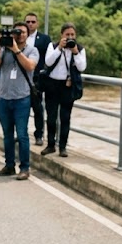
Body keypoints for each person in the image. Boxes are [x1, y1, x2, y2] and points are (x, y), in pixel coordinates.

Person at [0, 21, 39, 180]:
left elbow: (30, 66)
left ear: (27, 34)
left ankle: (24, 167)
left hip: (22, 99)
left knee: (22, 134)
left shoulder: (32, 50)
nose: (20, 35)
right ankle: (9, 165)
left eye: (23, 32)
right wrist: (0, 45)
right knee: (7, 135)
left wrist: (16, 50)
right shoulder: (4, 49)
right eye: (17, 32)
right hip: (4, 98)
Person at [41, 23, 87, 158]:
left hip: (68, 86)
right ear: (62, 35)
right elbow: (48, 62)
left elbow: (82, 67)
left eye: (72, 35)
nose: (70, 37)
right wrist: (60, 48)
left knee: (65, 117)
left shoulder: (79, 49)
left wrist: (75, 53)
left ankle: (62, 147)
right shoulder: (53, 46)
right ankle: (50, 145)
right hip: (52, 85)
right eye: (67, 34)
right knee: (51, 117)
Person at [24, 13, 51, 146]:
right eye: (27, 21)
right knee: (22, 108)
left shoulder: (44, 39)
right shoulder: (20, 38)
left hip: (37, 79)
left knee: (38, 109)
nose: (30, 24)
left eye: (32, 21)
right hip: (21, 78)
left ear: (37, 23)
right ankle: (21, 134)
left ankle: (39, 135)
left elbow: (49, 59)